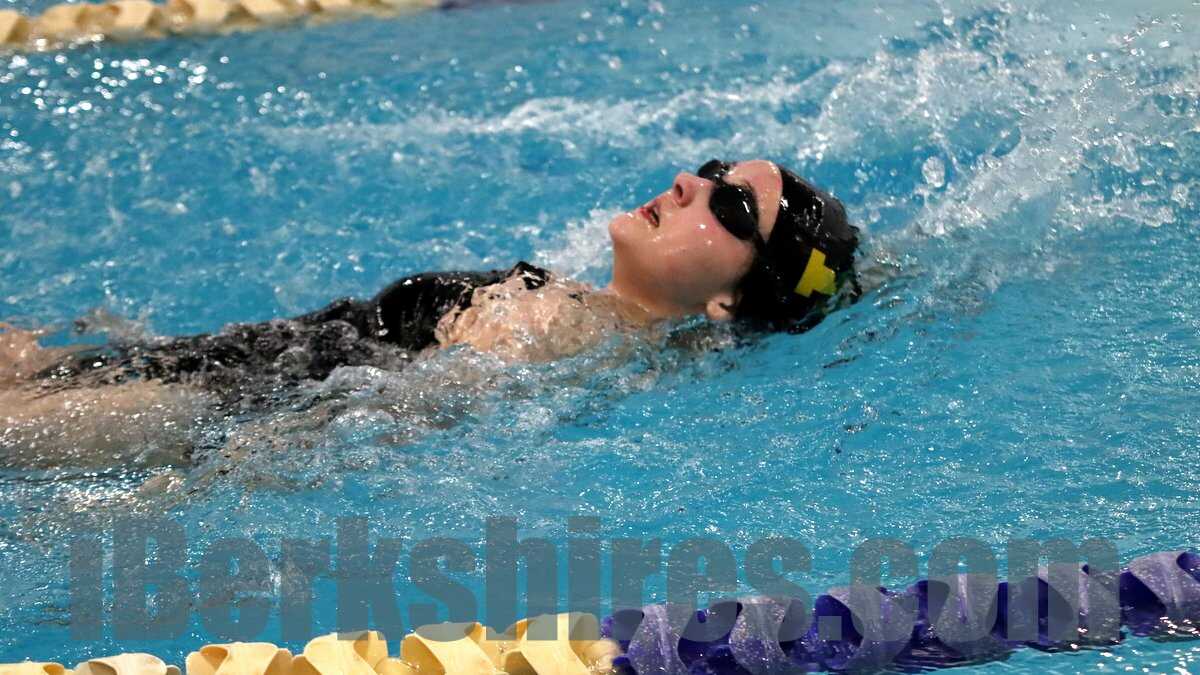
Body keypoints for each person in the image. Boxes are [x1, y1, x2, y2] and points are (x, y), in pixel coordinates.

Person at [0, 159, 860, 467]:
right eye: (712, 169)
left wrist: (233, 464)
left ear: (728, 302)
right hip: (247, 359)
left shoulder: (569, 335)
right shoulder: (585, 314)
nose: (688, 182)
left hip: (216, 409)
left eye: (731, 206)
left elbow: (388, 415)